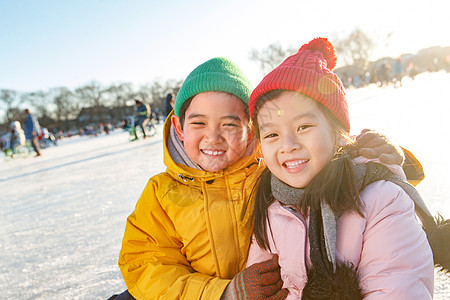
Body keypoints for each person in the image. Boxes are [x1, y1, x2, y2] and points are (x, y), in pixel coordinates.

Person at [112, 57, 418, 300]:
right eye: (199, 123)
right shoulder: (162, 193)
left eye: (230, 124)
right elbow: (146, 266)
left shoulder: (268, 170)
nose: (213, 136)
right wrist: (223, 293)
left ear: (250, 130)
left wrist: (373, 152)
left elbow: (324, 152)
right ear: (179, 127)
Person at [245, 38, 434, 299]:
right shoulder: (272, 206)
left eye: (303, 127)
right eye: (271, 135)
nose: (287, 145)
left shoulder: (381, 200)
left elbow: (397, 287)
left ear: (337, 133)